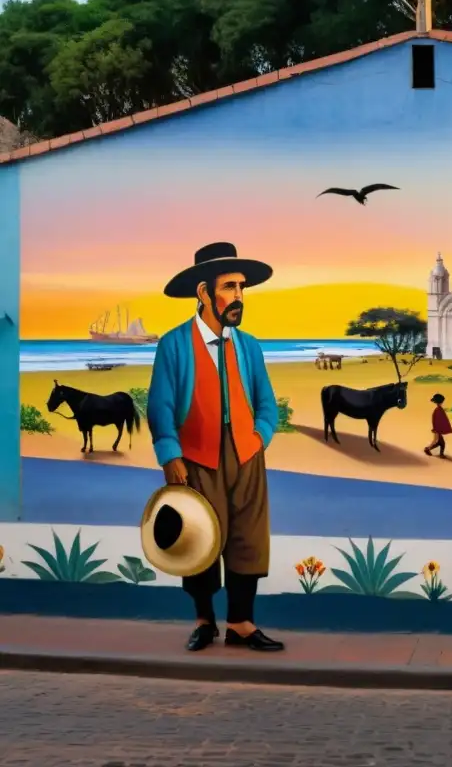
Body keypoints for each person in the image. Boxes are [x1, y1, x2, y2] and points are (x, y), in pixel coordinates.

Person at [148, 241, 284, 652]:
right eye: (229, 286)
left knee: (249, 538)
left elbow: (266, 402)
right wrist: (171, 455)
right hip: (196, 457)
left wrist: (260, 437)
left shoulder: (249, 345)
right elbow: (160, 404)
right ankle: (204, 621)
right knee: (200, 538)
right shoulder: (173, 344)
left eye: (242, 287)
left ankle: (241, 623)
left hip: (246, 455)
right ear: (204, 293)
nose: (239, 296)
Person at [424, 392, 452, 458]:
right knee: (440, 443)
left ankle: (429, 449)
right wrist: (437, 430)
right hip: (437, 430)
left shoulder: (439, 409)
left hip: (437, 430)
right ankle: (430, 450)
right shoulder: (438, 410)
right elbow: (437, 421)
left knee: (439, 443)